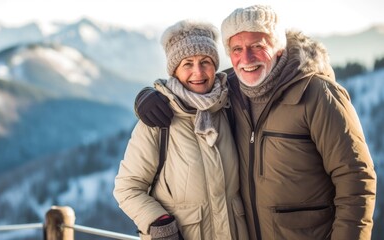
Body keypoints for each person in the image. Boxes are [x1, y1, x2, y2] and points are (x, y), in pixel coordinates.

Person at [133, 5, 377, 240]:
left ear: (279, 47)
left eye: (257, 46)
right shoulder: (231, 91)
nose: (246, 58)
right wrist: (147, 97)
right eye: (236, 49)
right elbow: (193, 87)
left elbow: (356, 179)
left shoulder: (317, 94)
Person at [113, 20, 249, 240]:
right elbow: (127, 188)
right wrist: (160, 224)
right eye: (187, 63)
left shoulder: (230, 107)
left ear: (215, 65)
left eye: (205, 61)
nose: (198, 71)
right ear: (174, 70)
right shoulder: (158, 120)